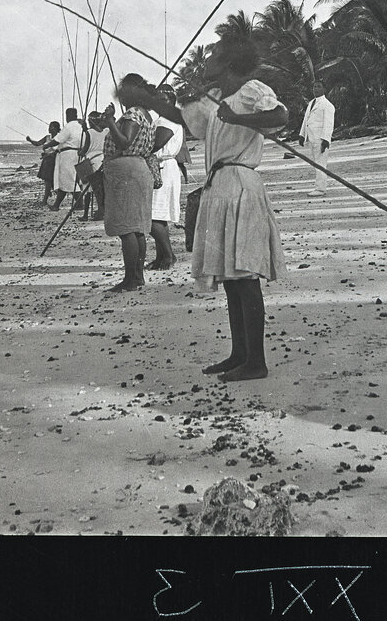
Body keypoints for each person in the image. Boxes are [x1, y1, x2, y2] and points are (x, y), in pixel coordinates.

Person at [176, 35, 288, 382]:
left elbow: (280, 115)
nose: (205, 61)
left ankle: (256, 360)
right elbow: (187, 120)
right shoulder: (216, 99)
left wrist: (239, 119)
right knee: (229, 277)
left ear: (226, 63)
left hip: (241, 185)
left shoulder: (252, 90)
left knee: (244, 277)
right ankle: (239, 353)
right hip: (220, 187)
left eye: (212, 56)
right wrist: (155, 99)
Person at [97, 76, 175, 293]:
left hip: (127, 173)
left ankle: (131, 279)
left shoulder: (132, 113)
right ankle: (136, 277)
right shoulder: (147, 114)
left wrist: (111, 121)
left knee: (127, 229)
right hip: (138, 169)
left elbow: (124, 141)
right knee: (137, 228)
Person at [148, 84, 184, 269]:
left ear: (171, 101)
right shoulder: (162, 119)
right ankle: (161, 256)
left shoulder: (168, 120)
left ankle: (169, 256)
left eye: (163, 100)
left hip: (163, 166)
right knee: (157, 216)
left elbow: (157, 143)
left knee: (154, 217)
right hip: (161, 165)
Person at [297, 80, 335, 195]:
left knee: (321, 163)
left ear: (324, 89)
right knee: (316, 162)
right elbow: (306, 120)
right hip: (312, 138)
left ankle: (320, 188)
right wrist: (302, 135)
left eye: (319, 87)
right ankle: (319, 186)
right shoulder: (311, 103)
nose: (315, 89)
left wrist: (326, 140)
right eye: (314, 87)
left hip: (320, 139)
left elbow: (328, 124)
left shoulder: (327, 105)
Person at [49, 108, 88, 211]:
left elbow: (58, 140)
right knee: (69, 179)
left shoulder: (69, 126)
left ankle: (79, 204)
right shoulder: (81, 125)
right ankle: (56, 205)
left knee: (68, 179)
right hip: (78, 153)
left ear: (68, 116)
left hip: (68, 155)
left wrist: (46, 145)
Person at [27, 121, 61, 205]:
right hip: (47, 160)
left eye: (51, 127)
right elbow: (38, 143)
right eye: (49, 127)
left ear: (56, 128)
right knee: (47, 180)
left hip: (55, 160)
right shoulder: (47, 137)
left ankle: (45, 199)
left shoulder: (60, 137)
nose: (49, 128)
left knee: (50, 181)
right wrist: (30, 140)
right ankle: (47, 196)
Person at [84, 111, 109, 221]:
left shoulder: (89, 132)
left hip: (92, 161)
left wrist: (81, 152)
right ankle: (102, 210)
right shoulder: (106, 131)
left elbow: (85, 148)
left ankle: (89, 214)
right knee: (102, 187)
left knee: (89, 188)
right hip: (103, 159)